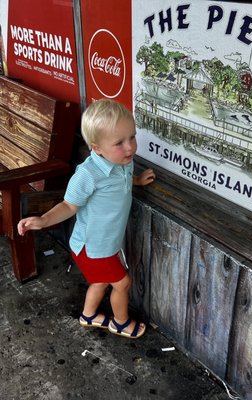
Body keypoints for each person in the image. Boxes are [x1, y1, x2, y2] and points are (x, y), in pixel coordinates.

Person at [17, 99, 155, 339]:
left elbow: (123, 179)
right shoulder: (88, 174)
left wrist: (137, 181)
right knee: (121, 283)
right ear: (97, 148)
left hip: (106, 244)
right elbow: (68, 205)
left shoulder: (123, 161)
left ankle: (89, 316)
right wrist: (43, 220)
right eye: (119, 142)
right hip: (92, 247)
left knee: (100, 283)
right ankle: (120, 323)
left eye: (132, 137)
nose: (130, 148)